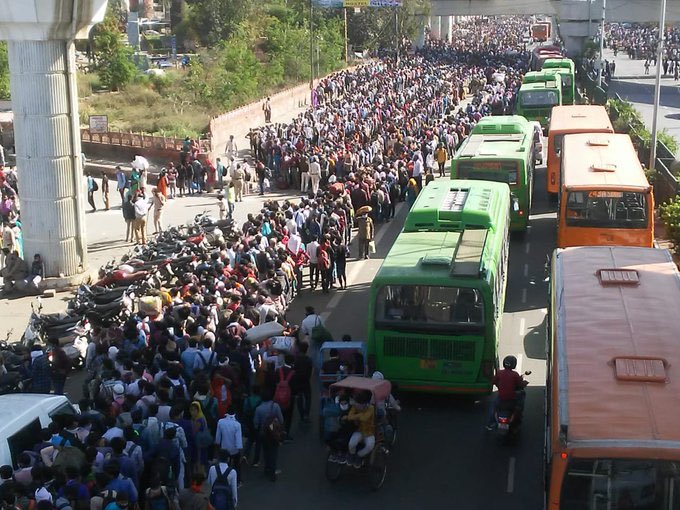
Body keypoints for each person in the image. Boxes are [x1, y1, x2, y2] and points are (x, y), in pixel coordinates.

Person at [486, 355, 528, 430]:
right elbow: (520, 385)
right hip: (511, 399)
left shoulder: (499, 373)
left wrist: (499, 386)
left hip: (501, 399)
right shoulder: (515, 374)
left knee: (493, 407)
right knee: (520, 403)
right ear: (514, 364)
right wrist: (525, 383)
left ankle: (490, 424)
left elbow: (493, 381)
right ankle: (518, 421)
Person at [253, 390, 284, 482]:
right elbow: (281, 419)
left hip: (264, 433)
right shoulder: (275, 406)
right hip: (274, 433)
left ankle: (267, 467)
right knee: (274, 452)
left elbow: (256, 422)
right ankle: (272, 470)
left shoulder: (258, 409)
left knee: (266, 451)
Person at [346, 390, 376, 468]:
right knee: (351, 444)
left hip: (369, 432)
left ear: (365, 404)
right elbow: (349, 417)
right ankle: (351, 454)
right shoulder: (355, 406)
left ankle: (359, 455)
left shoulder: (371, 408)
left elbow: (364, 418)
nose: (356, 405)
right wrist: (359, 414)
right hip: (359, 431)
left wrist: (356, 416)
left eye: (359, 404)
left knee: (370, 446)